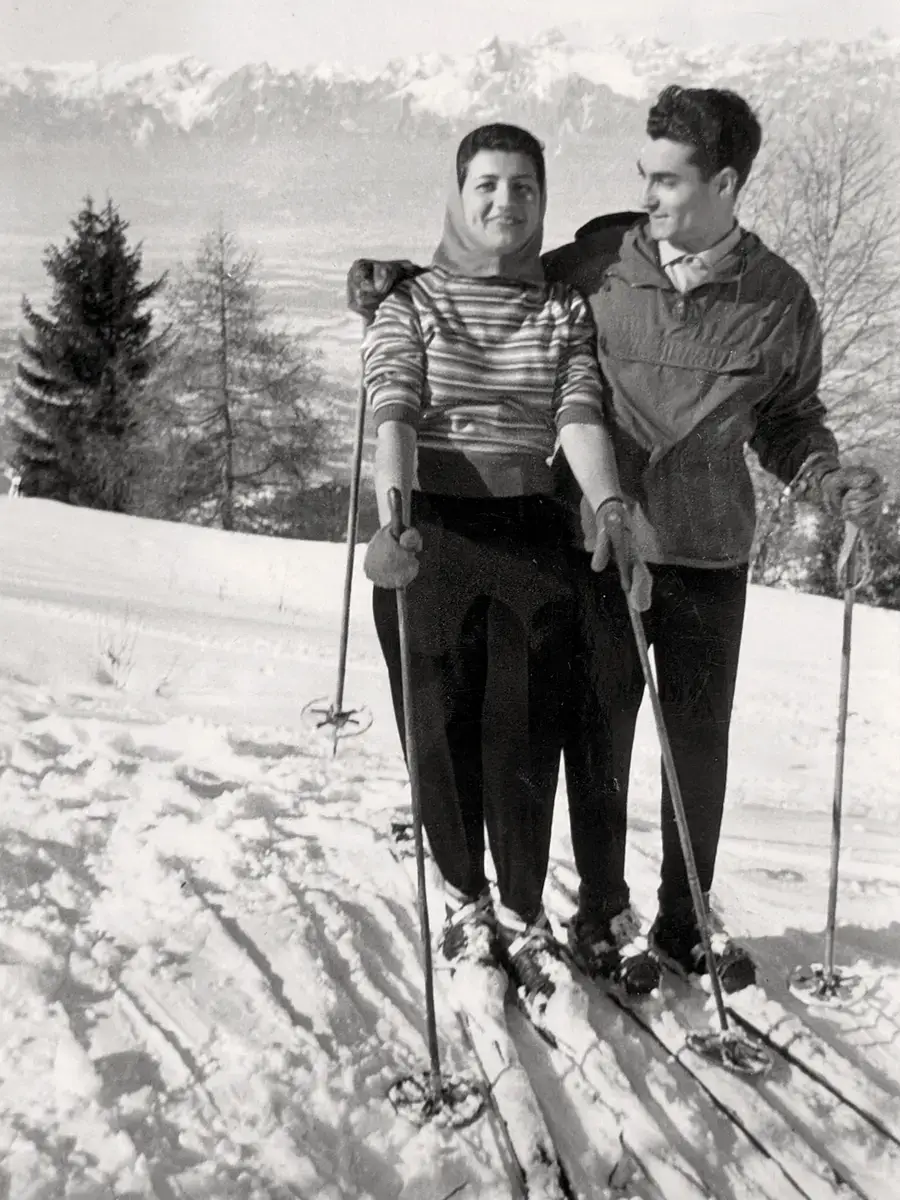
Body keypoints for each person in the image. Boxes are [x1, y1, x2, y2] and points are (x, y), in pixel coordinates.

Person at [542, 86, 885, 994]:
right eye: (643, 176)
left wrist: (825, 474)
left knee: (697, 745)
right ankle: (600, 915)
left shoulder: (778, 301)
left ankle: (685, 924)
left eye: (667, 179)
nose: (649, 197)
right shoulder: (599, 266)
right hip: (610, 548)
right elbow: (490, 291)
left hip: (708, 554)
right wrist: (396, 284)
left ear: (725, 182)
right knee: (600, 734)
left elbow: (787, 419)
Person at [353, 122, 650, 1002]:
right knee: (441, 731)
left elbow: (578, 414)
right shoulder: (410, 304)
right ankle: (463, 898)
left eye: (523, 187)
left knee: (525, 737)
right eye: (487, 184)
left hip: (528, 531)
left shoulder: (558, 308)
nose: (505, 203)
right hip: (431, 532)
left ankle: (523, 911)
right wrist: (394, 520)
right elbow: (396, 410)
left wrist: (608, 505)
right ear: (457, 191)